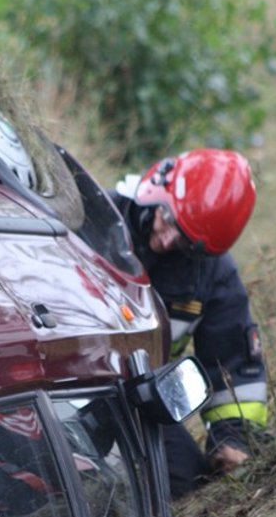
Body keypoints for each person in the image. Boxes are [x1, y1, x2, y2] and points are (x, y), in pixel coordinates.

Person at [111, 148, 267, 498]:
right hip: (59, 395)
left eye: (183, 240)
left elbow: (234, 368)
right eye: (167, 220)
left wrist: (231, 438)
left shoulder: (211, 275)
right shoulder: (92, 224)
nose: (167, 241)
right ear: (156, 192)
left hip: (136, 404)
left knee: (184, 481)